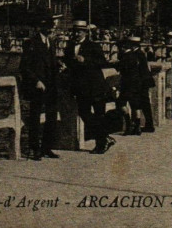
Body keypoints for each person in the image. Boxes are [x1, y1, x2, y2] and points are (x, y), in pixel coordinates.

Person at [62, 20, 115, 154]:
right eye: (75, 31)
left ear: (85, 32)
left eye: (80, 31)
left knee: (99, 115)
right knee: (84, 113)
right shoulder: (69, 47)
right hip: (80, 87)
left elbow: (102, 62)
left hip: (95, 86)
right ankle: (104, 137)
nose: (77, 33)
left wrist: (85, 60)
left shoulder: (93, 46)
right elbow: (69, 64)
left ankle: (101, 144)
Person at [19, 12, 61, 160]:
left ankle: (47, 147)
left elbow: (49, 63)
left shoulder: (51, 43)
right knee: (35, 118)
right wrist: (36, 81)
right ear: (42, 27)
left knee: (51, 117)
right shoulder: (31, 43)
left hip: (51, 86)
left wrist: (58, 65)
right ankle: (34, 148)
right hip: (38, 86)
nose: (53, 29)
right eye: (50, 27)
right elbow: (25, 67)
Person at [117, 36, 155, 135]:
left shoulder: (137, 54)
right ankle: (141, 125)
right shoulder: (139, 53)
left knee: (141, 104)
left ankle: (143, 125)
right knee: (138, 104)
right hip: (141, 82)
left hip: (140, 82)